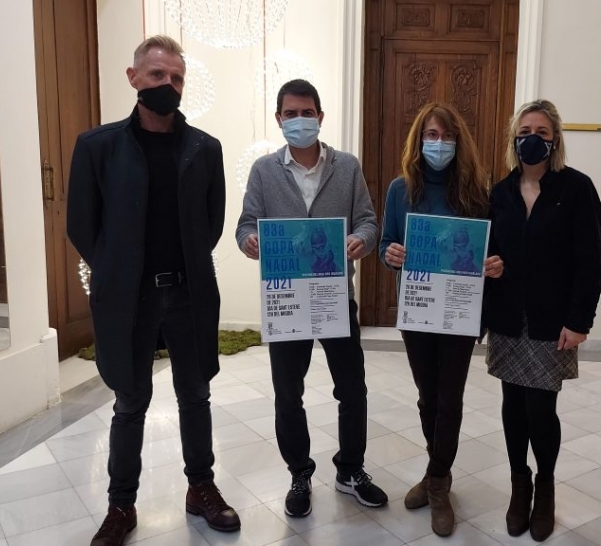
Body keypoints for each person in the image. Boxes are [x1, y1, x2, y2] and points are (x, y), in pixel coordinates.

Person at [67, 36, 239, 546]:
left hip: (188, 294)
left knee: (196, 395)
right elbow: (81, 225)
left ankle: (201, 488)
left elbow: (211, 224)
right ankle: (121, 505)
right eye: (158, 74)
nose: (168, 85)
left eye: (177, 78)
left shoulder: (205, 149)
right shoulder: (97, 147)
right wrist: (119, 270)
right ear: (134, 77)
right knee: (130, 401)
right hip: (129, 298)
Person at [236, 79, 387, 518]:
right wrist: (249, 241)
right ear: (278, 119)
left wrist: (361, 240)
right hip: (286, 301)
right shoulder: (264, 170)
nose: (299, 120)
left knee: (352, 389)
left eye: (307, 113)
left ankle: (350, 470)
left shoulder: (347, 166)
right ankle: (299, 473)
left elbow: (368, 221)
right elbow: (246, 223)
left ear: (320, 116)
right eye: (291, 113)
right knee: (288, 394)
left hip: (334, 297)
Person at [379, 102, 504, 537]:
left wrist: (494, 264)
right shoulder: (400, 190)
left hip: (459, 312)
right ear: (419, 140)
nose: (439, 143)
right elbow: (387, 243)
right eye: (431, 135)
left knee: (449, 399)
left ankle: (436, 483)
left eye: (447, 136)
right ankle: (439, 474)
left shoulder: (476, 193)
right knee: (426, 397)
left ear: (458, 141)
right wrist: (391, 254)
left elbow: (492, 250)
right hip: (417, 311)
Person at [483, 99, 601, 542]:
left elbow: (590, 263)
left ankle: (546, 487)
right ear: (514, 139)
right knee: (512, 406)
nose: (532, 138)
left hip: (552, 321)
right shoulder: (499, 192)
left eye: (541, 131)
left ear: (555, 140)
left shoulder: (576, 188)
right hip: (507, 318)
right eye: (524, 131)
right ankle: (520, 486)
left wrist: (579, 321)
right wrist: (491, 264)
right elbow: (489, 250)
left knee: (540, 408)